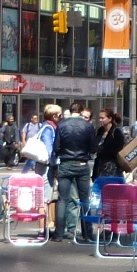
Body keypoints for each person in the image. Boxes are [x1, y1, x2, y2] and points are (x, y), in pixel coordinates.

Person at [53, 102, 97, 244]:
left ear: (70, 110)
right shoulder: (88, 126)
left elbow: (56, 147)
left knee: (63, 200)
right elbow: (93, 147)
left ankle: (59, 233)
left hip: (65, 163)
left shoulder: (61, 125)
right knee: (85, 200)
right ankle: (87, 233)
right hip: (82, 164)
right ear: (81, 111)